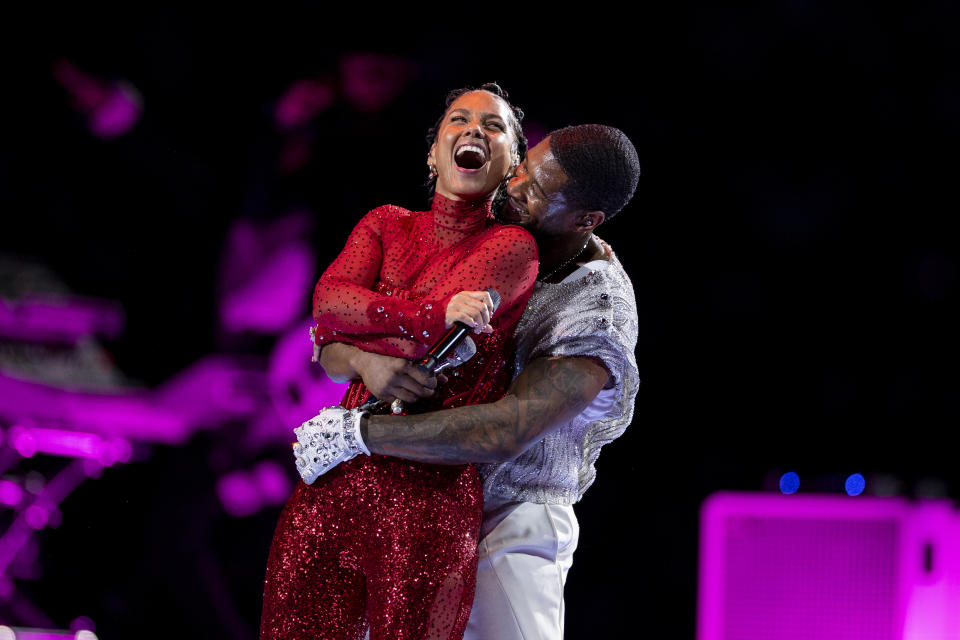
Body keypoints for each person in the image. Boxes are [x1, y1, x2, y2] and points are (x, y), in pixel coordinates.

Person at [301, 124, 641, 640]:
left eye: (536, 191)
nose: (514, 187)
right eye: (523, 166)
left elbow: (509, 430)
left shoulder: (595, 309)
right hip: (414, 505)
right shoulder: (481, 231)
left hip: (510, 519)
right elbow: (332, 332)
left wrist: (358, 436)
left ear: (585, 219)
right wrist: (362, 361)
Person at [260, 84, 539, 640]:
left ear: (511, 166)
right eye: (458, 119)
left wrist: (340, 343)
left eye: (495, 126)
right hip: (332, 482)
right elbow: (326, 302)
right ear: (432, 154)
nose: (475, 129)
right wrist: (361, 358)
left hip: (427, 499)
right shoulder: (386, 223)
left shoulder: (511, 246)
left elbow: (428, 347)